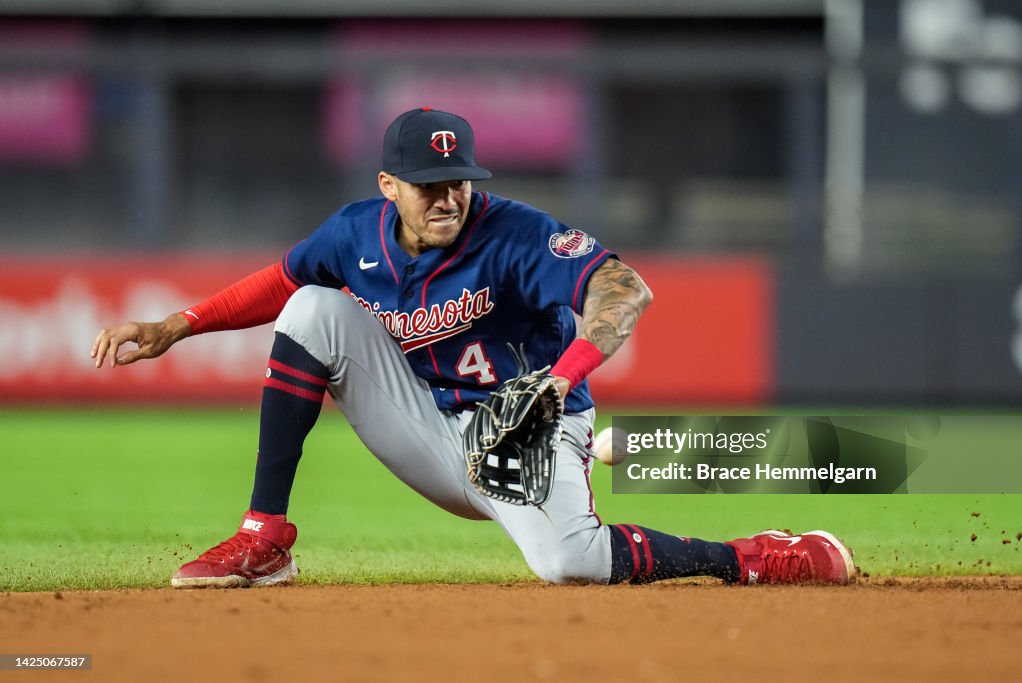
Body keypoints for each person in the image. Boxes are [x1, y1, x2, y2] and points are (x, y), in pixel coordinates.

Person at [91, 107, 855, 588]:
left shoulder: (515, 232)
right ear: (388, 185)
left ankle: (753, 554)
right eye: (428, 183)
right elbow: (281, 280)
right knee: (313, 308)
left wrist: (563, 379)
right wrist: (176, 325)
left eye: (458, 178)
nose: (447, 195)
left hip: (532, 427)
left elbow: (625, 291)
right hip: (429, 426)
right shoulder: (353, 232)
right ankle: (265, 540)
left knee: (566, 563)